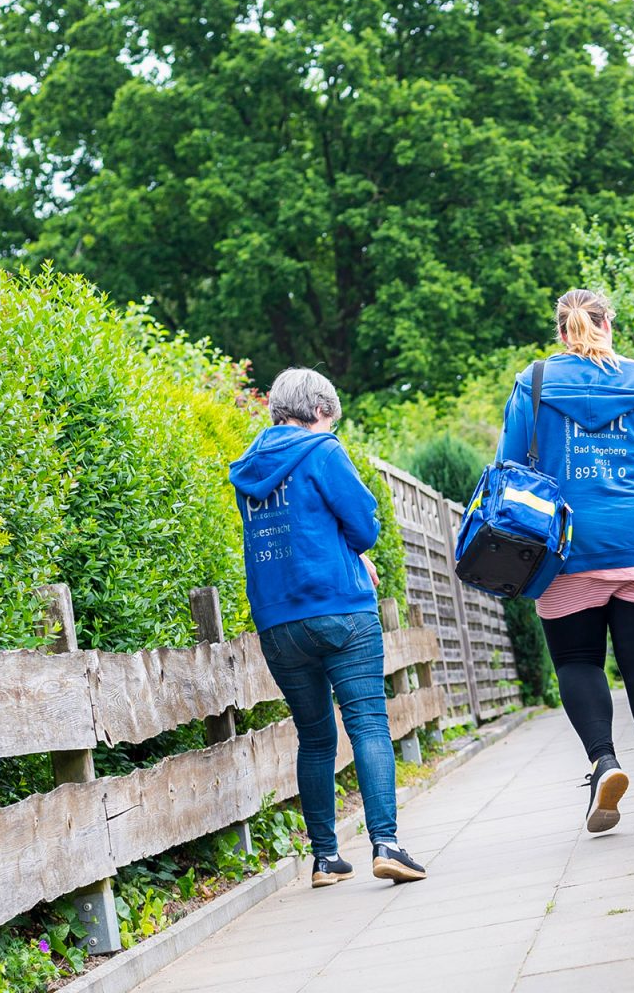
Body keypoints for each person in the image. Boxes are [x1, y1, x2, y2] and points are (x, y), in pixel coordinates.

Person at [496, 289, 634, 833]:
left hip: (568, 549)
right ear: (607, 324)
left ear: (561, 332)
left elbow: (508, 474)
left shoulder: (535, 385)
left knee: (577, 662)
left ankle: (604, 762)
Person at [229, 368, 426, 887]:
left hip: (278, 623)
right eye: (331, 418)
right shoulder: (324, 451)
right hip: (341, 609)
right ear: (319, 410)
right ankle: (388, 844)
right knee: (367, 722)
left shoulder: (248, 470)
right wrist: (358, 554)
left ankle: (325, 859)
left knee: (314, 738)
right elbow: (364, 522)